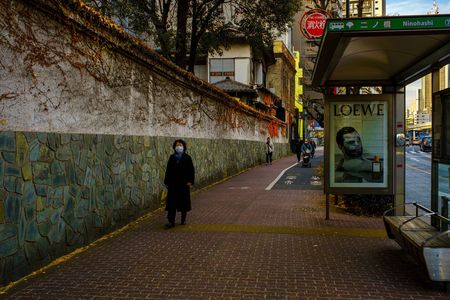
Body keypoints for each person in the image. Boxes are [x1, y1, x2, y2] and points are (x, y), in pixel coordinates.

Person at [164, 139, 195, 228]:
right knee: (171, 203)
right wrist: (166, 181)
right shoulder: (172, 157)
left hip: (184, 184)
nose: (179, 147)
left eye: (180, 145)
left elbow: (191, 170)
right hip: (173, 184)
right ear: (174, 147)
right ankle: (171, 221)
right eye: (177, 145)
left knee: (183, 203)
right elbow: (168, 170)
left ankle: (183, 219)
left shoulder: (187, 158)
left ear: (184, 147)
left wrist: (190, 181)